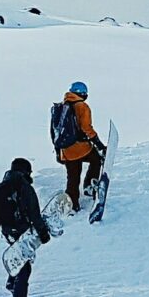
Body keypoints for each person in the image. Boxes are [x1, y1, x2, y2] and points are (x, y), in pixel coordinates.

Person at [0, 157, 52, 297]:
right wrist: (43, 233)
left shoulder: (0, 187)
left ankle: (12, 283)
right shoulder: (25, 187)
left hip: (8, 231)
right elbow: (34, 213)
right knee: (24, 266)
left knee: (18, 257)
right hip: (22, 230)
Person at [50, 82, 104, 214]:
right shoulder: (82, 106)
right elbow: (86, 128)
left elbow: (54, 132)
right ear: (83, 93)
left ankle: (73, 205)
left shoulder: (61, 108)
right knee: (96, 159)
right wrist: (99, 144)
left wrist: (59, 152)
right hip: (80, 147)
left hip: (66, 150)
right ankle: (89, 186)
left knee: (73, 177)